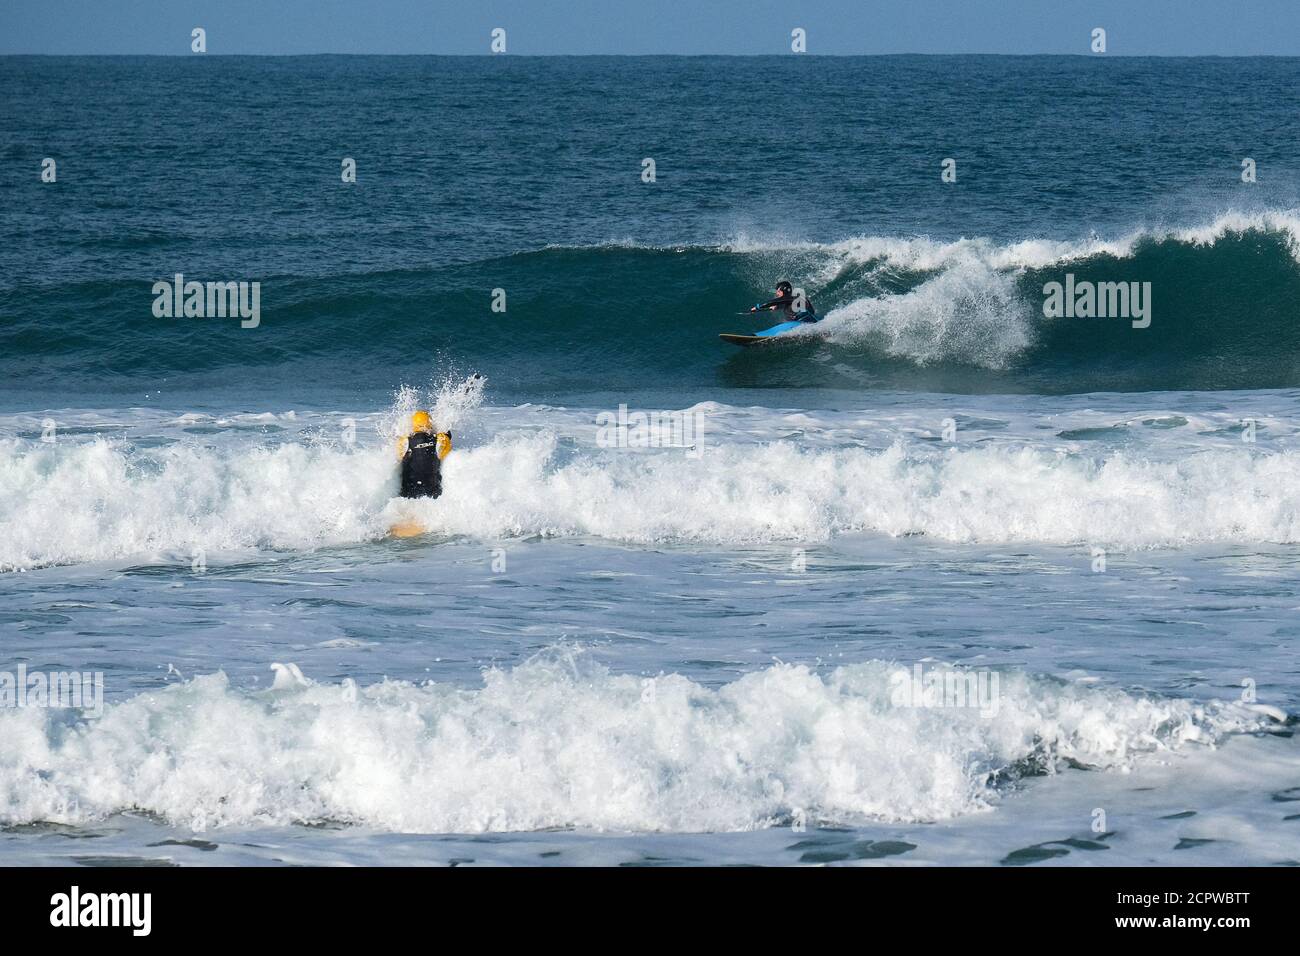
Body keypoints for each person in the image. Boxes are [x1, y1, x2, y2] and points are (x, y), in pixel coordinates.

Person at [396, 410, 452, 499]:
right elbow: (447, 450)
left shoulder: (404, 441)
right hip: (433, 491)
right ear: (429, 423)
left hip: (408, 491)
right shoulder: (440, 439)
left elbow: (398, 457)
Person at [750, 280, 818, 322]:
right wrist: (774, 307)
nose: (777, 293)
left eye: (779, 291)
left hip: (804, 318)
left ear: (784, 290)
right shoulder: (792, 298)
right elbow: (777, 304)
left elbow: (771, 302)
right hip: (810, 318)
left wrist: (757, 307)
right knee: (787, 308)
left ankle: (797, 319)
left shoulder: (790, 297)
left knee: (787, 310)